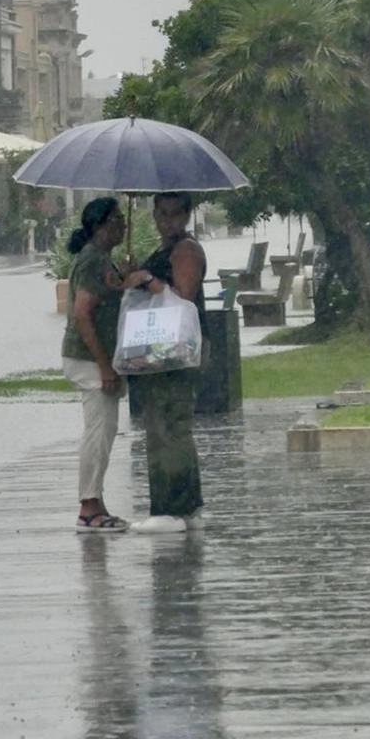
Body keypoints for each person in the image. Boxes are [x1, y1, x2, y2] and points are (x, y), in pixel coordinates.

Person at [60, 197, 156, 532]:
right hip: (89, 358)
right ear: (99, 227)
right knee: (99, 431)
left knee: (105, 429)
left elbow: (109, 294)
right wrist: (105, 365)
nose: (122, 225)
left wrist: (124, 278)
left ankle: (96, 501)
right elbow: (83, 313)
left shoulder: (102, 261)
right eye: (116, 220)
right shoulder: (91, 262)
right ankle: (88, 507)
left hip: (98, 357)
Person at [132, 191, 209, 533]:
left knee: (170, 426)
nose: (168, 221)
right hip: (161, 351)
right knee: (161, 425)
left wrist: (148, 280)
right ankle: (183, 506)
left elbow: (183, 296)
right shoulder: (167, 249)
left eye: (175, 214)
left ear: (187, 215)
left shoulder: (186, 250)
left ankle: (173, 507)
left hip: (178, 350)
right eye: (161, 214)